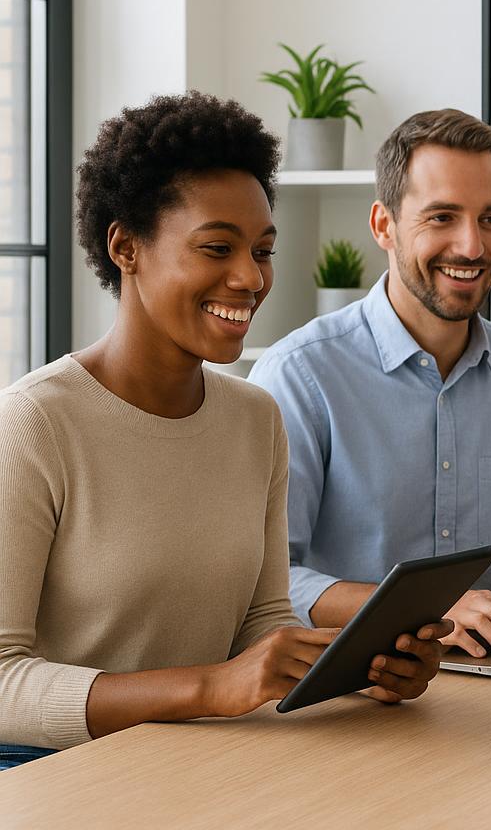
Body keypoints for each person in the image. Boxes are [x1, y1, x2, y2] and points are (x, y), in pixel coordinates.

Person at [0, 93, 449, 771]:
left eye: (263, 250)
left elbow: (263, 623)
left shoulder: (254, 419)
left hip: (199, 757)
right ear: (125, 247)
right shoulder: (34, 424)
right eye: (217, 248)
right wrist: (210, 687)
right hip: (49, 773)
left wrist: (359, 668)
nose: (249, 277)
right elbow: (4, 680)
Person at [249, 109, 491, 660]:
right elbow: (266, 581)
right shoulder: (299, 375)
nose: (472, 246)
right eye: (442, 217)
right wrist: (421, 610)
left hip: (490, 680)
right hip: (349, 683)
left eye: (490, 218)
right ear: (383, 225)